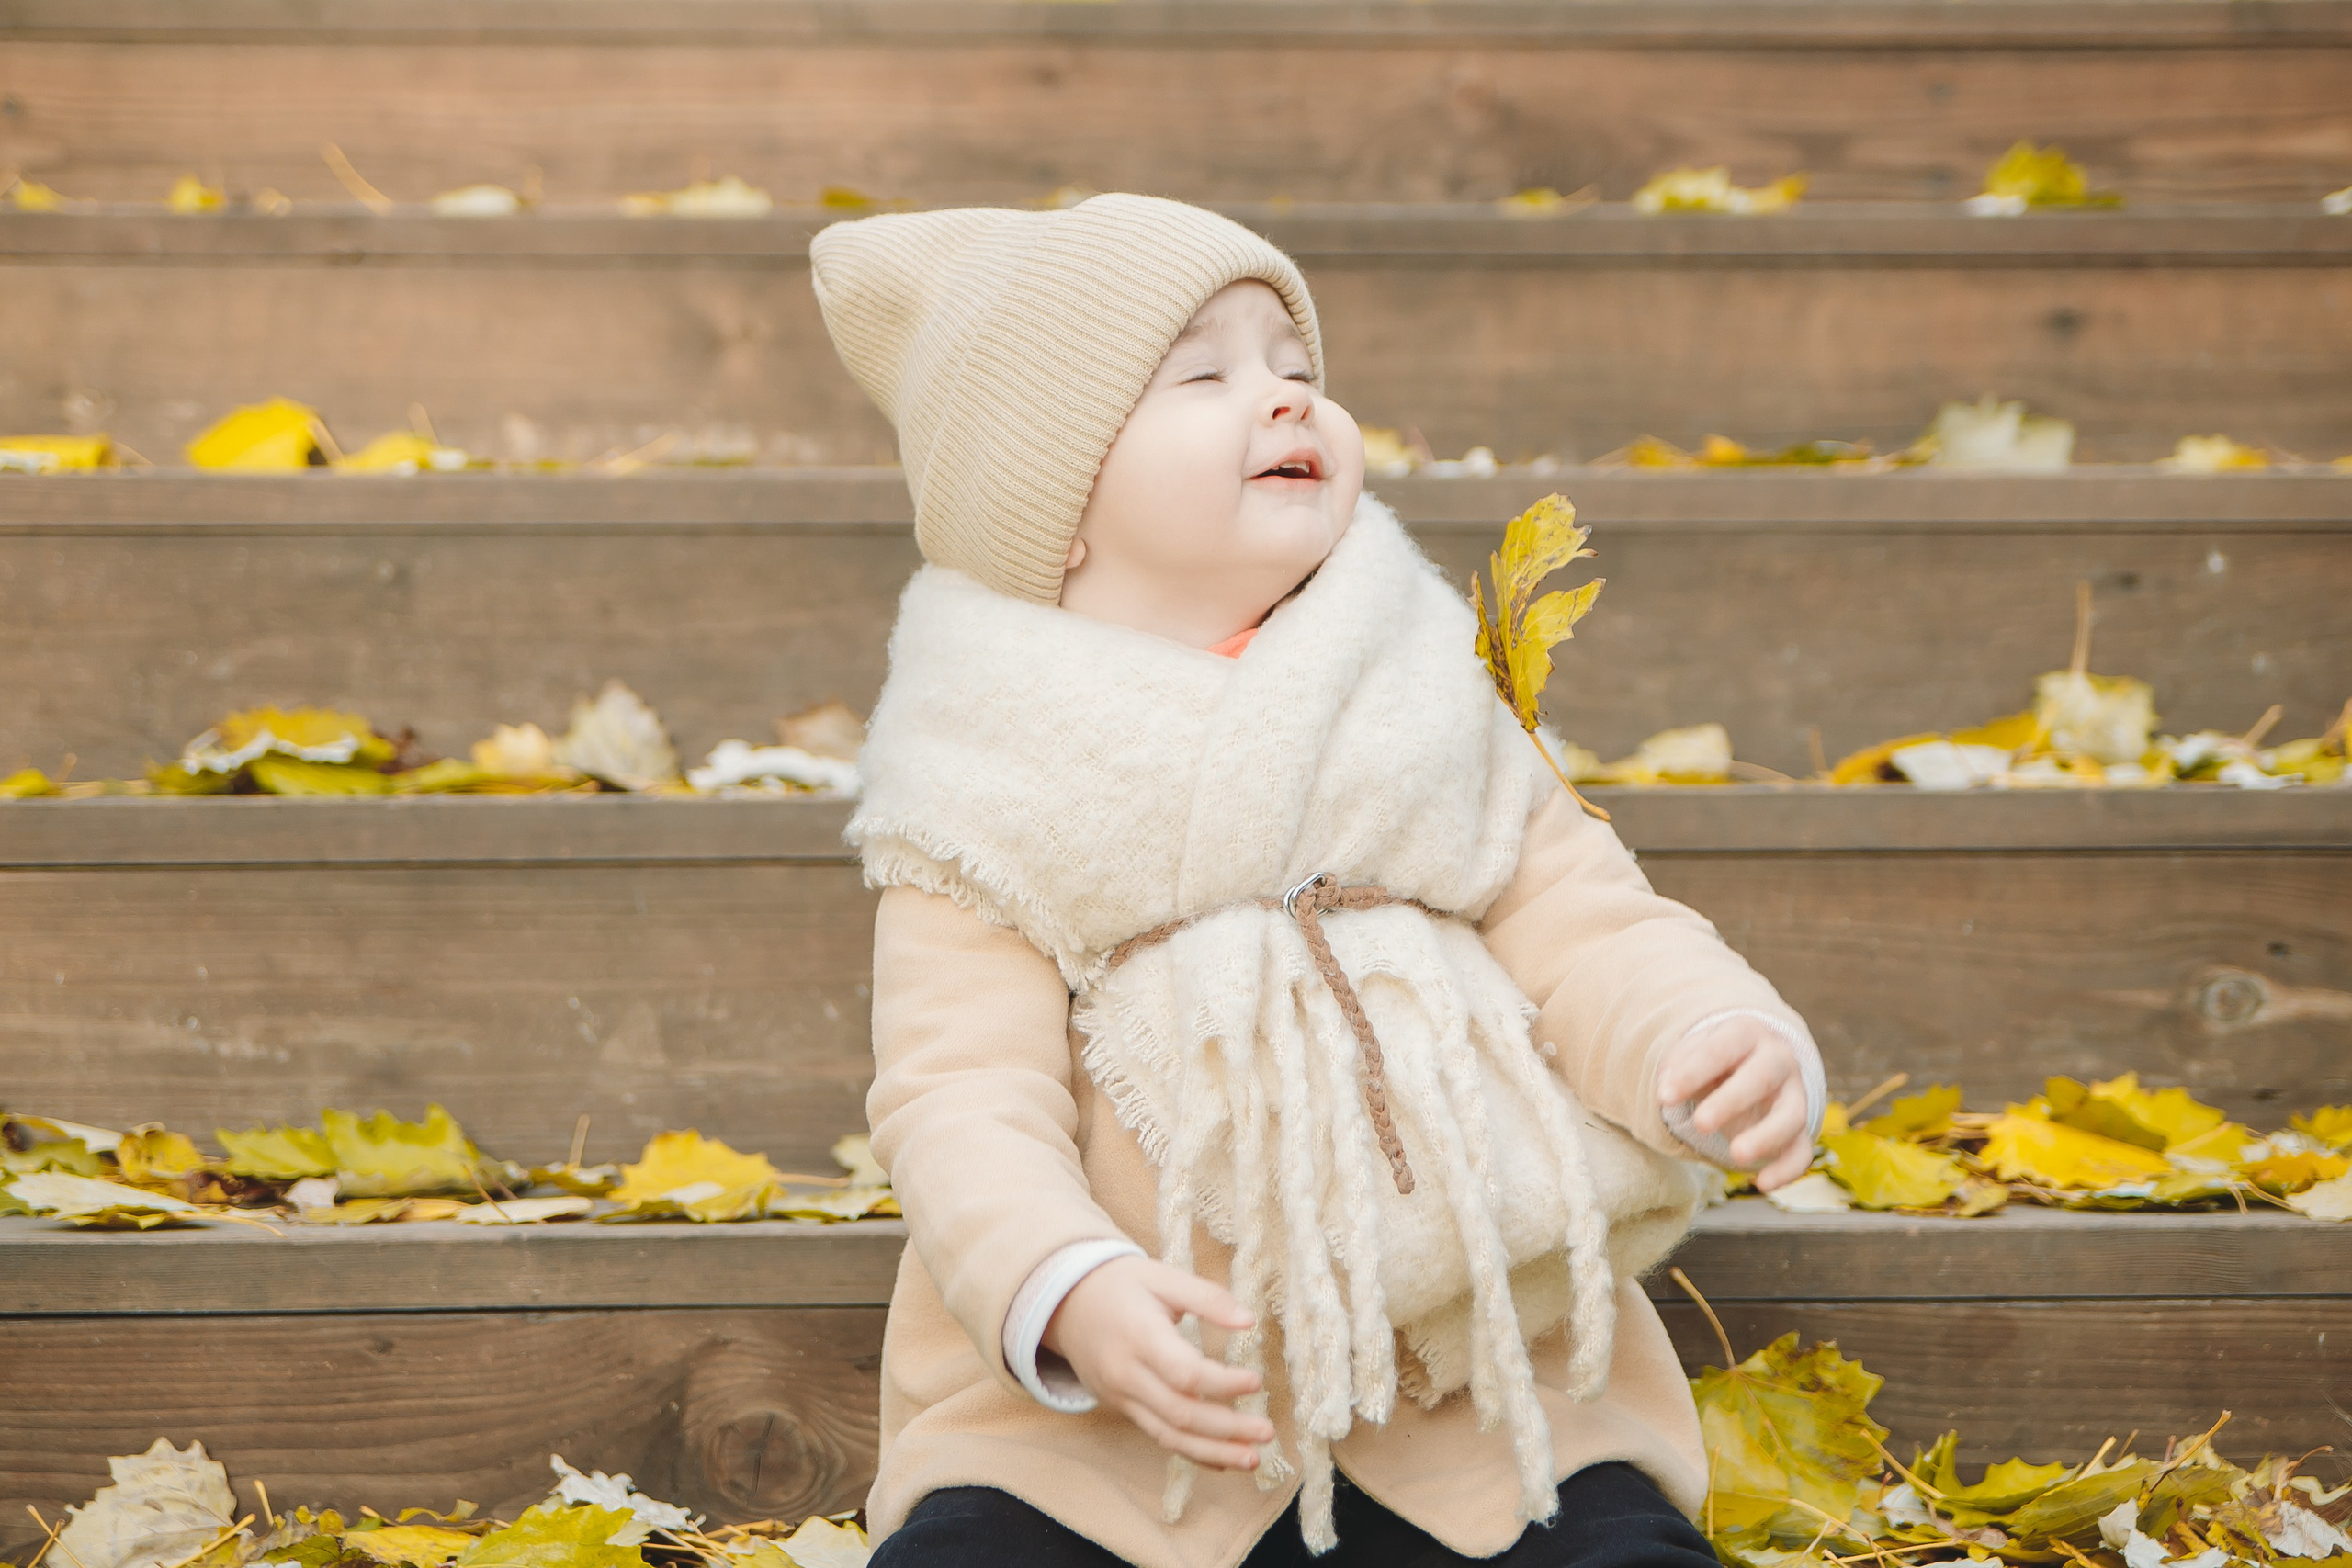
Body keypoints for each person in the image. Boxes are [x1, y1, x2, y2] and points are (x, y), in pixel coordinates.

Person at [808, 194, 1826, 1568]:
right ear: (1050, 510)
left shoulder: (1430, 707)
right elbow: (960, 1093)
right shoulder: (977, 795)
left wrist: (1707, 1036)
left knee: (1609, 1545)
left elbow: (1587, 928)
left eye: (1297, 367)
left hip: (1471, 1401)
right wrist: (1066, 1284)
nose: (1285, 400)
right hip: (1119, 1439)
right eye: (1206, 375)